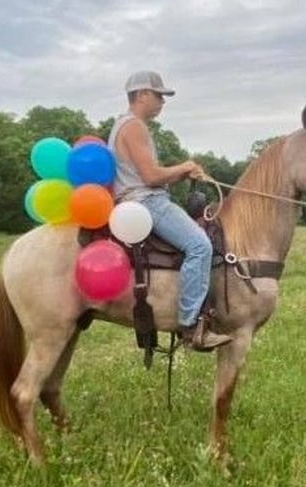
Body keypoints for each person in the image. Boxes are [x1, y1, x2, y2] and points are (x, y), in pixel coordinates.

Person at [107, 70, 232, 351]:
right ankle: (191, 326)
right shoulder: (134, 126)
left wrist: (180, 174)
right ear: (141, 95)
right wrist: (185, 166)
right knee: (200, 245)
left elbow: (150, 175)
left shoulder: (123, 126)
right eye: (159, 95)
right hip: (146, 202)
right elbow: (150, 177)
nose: (163, 101)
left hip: (138, 199)